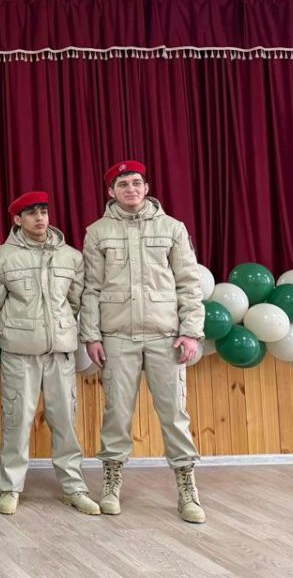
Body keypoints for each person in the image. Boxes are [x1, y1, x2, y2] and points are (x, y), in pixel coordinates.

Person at [81, 161, 206, 524]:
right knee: (116, 414)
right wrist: (91, 335)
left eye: (136, 183)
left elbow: (188, 283)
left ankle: (187, 487)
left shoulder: (172, 228)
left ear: (147, 188)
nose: (131, 189)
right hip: (118, 337)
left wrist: (190, 331)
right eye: (123, 184)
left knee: (174, 414)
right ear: (111, 192)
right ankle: (111, 482)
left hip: (165, 337)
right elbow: (91, 288)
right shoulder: (97, 232)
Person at [0, 192, 100, 517]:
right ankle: (10, 488)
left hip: (60, 353)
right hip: (20, 353)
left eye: (43, 212)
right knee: (16, 420)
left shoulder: (70, 257)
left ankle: (74, 488)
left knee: (66, 421)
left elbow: (74, 302)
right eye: (31, 213)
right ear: (17, 219)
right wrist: (15, 333)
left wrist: (59, 330)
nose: (39, 218)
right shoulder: (0, 258)